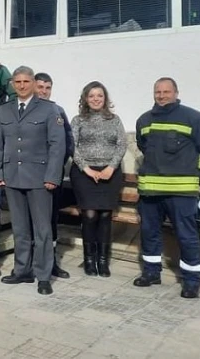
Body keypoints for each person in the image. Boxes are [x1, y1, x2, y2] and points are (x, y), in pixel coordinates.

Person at [133, 77, 200, 299]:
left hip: (182, 193)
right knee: (149, 233)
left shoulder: (195, 119)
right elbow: (144, 148)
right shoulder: (144, 120)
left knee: (186, 236)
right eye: (158, 92)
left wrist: (198, 177)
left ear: (176, 92)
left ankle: (191, 281)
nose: (162, 96)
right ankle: (151, 272)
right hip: (150, 191)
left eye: (166, 92)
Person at [0, 66, 65, 295]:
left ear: (33, 83)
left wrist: (53, 176)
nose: (22, 85)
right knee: (20, 228)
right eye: (18, 82)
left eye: (26, 81)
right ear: (13, 84)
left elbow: (57, 146)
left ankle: (43, 275)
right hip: (13, 177)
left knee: (42, 229)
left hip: (39, 179)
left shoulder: (48, 110)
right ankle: (22, 270)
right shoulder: (4, 110)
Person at [70, 81, 127, 277]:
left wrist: (111, 167)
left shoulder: (115, 120)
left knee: (104, 215)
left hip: (109, 173)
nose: (96, 99)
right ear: (86, 98)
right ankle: (89, 259)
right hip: (84, 173)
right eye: (92, 95)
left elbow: (121, 145)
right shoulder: (78, 120)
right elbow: (72, 146)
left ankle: (103, 261)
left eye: (99, 96)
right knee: (90, 214)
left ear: (105, 99)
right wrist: (87, 169)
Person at [34, 72, 75, 279]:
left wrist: (54, 168)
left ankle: (51, 263)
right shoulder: (24, 110)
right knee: (32, 220)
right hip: (29, 176)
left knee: (51, 220)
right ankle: (32, 262)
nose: (43, 91)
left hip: (52, 177)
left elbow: (67, 143)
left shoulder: (57, 111)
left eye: (47, 87)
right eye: (40, 87)